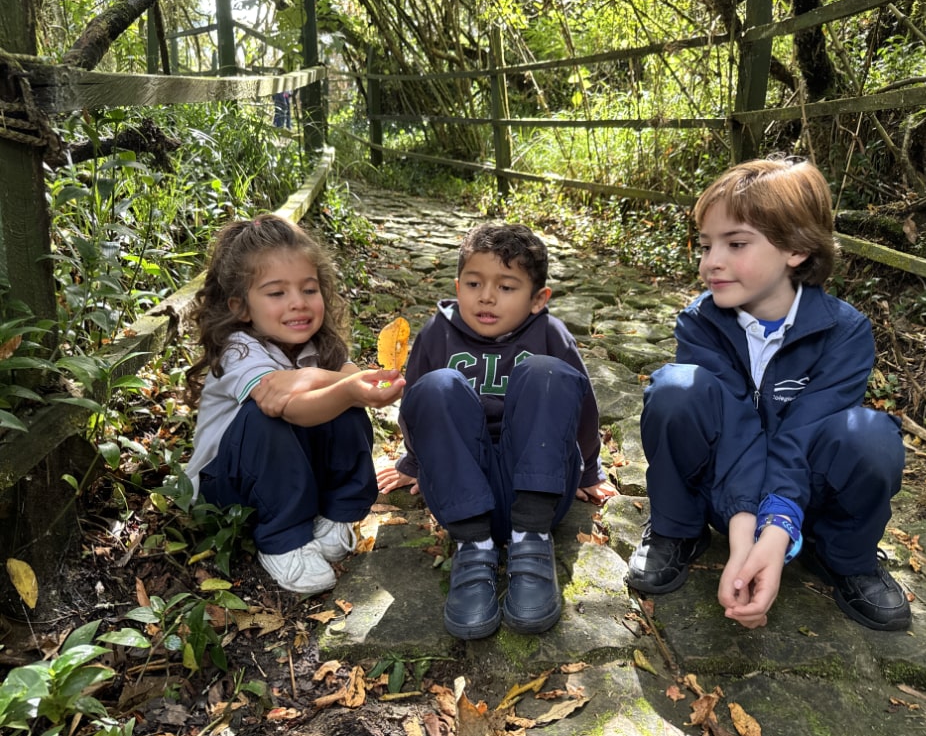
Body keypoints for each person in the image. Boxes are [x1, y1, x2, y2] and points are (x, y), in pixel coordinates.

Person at [626, 158, 911, 632]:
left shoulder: (845, 332)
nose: (710, 262)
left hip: (803, 498)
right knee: (676, 390)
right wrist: (742, 543)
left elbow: (803, 434)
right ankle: (677, 530)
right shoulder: (701, 322)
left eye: (735, 243)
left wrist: (776, 532)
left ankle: (845, 557)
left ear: (796, 249)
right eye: (705, 245)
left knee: (871, 436)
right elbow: (736, 428)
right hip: (724, 490)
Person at [376, 223, 618, 640]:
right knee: (436, 385)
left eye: (507, 287)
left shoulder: (549, 333)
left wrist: (589, 470)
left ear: (539, 299)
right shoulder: (438, 332)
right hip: (461, 492)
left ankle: (531, 544)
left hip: (537, 487)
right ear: (457, 286)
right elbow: (416, 403)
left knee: (548, 374)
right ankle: (474, 550)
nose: (486, 297)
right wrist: (414, 462)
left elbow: (580, 406)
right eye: (474, 283)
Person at [185, 214, 405, 595]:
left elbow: (344, 379)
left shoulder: (319, 344)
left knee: (344, 404)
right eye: (276, 293)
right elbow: (285, 406)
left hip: (288, 471)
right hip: (226, 485)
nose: (298, 304)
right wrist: (351, 386)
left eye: (309, 289)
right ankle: (283, 538)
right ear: (241, 307)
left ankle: (337, 513)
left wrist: (351, 385)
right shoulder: (239, 348)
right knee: (268, 414)